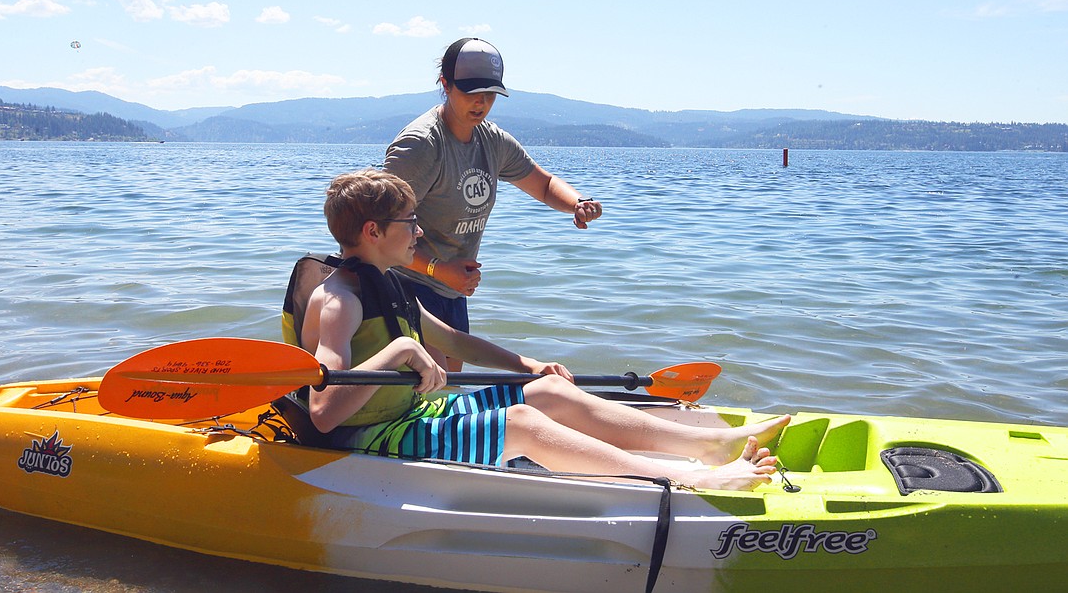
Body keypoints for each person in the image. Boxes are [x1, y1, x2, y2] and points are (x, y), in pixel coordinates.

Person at [299, 169, 789, 490]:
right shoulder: (340, 301)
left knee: (549, 391)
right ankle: (687, 480)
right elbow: (323, 412)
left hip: (414, 413)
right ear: (373, 233)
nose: (420, 232)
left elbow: (450, 341)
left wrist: (527, 366)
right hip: (371, 437)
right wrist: (401, 349)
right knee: (521, 424)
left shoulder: (390, 283)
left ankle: (706, 445)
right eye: (410, 222)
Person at [383, 37, 604, 370]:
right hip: (404, 286)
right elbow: (379, 234)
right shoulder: (421, 145)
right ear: (445, 84)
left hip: (452, 289)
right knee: (430, 392)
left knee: (448, 392)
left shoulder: (491, 140)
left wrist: (577, 203)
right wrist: (438, 269)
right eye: (470, 92)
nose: (481, 103)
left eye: (489, 94)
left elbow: (543, 185)